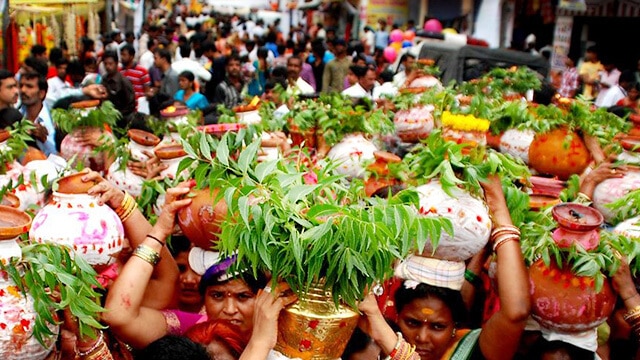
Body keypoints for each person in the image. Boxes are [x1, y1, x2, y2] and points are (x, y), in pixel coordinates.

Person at [358, 175, 530, 360]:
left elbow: (516, 313)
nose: (422, 338)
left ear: (455, 325)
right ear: (397, 316)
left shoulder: (470, 349)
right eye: (412, 323)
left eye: (438, 326)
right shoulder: (376, 346)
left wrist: (496, 204)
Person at [19, 72, 56, 156]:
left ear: (41, 93)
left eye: (29, 86)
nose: (23, 90)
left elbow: (58, 157)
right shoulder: (16, 116)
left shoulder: (53, 119)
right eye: (21, 86)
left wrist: (44, 140)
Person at [101, 50, 136, 128]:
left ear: (116, 63)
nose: (107, 67)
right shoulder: (104, 80)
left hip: (123, 118)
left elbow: (131, 104)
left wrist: (117, 115)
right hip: (108, 117)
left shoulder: (124, 82)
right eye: (105, 64)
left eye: (110, 64)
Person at [120, 44, 151, 113]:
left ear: (131, 56)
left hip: (139, 108)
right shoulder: (119, 71)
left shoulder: (142, 71)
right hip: (125, 108)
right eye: (121, 55)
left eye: (124, 55)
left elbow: (147, 91)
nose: (122, 57)